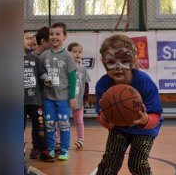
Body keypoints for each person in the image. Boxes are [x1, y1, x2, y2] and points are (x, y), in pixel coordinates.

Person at [95, 34, 163, 175]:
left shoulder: (144, 82)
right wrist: (106, 119)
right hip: (119, 127)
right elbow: (101, 118)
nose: (118, 67)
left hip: (144, 129)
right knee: (109, 164)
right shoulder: (103, 85)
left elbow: (156, 115)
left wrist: (145, 120)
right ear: (103, 62)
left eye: (124, 61)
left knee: (137, 164)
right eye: (111, 62)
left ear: (133, 61)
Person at [39, 22, 77, 161]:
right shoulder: (44, 55)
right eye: (51, 34)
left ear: (65, 36)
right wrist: (44, 78)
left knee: (64, 124)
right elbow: (40, 72)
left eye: (57, 34)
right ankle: (50, 149)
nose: (54, 37)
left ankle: (64, 150)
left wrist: (72, 97)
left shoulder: (68, 56)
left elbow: (73, 77)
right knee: (49, 124)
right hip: (47, 97)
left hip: (63, 97)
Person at [24, 31, 48, 159]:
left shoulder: (35, 58)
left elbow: (42, 73)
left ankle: (43, 150)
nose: (30, 41)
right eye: (27, 38)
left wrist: (47, 79)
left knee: (39, 126)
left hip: (35, 100)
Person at [67, 42, 91, 149]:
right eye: (74, 51)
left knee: (79, 121)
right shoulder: (66, 67)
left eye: (79, 52)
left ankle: (80, 140)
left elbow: (86, 85)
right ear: (69, 53)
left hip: (78, 99)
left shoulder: (83, 69)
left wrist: (85, 98)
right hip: (66, 99)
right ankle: (58, 140)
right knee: (62, 120)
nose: (77, 54)